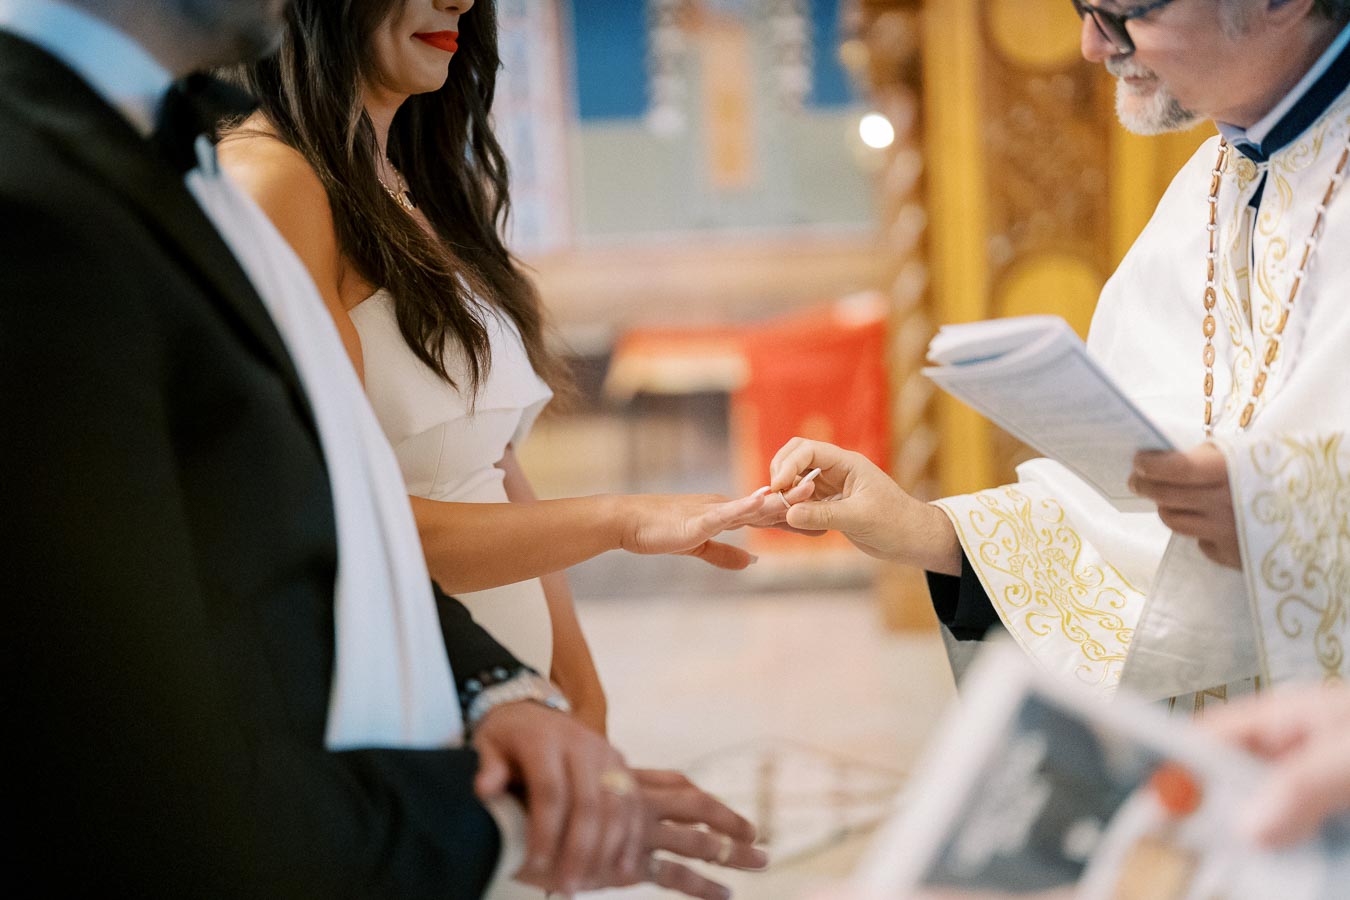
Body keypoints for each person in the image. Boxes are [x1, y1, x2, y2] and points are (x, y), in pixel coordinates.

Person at [0, 0, 767, 896]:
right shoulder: (225, 183)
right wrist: (623, 521)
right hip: (372, 754)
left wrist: (541, 690)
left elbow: (437, 474)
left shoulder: (385, 179)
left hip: (479, 711)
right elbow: (246, 579)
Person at [762, 0, 1350, 710]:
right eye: (1082, 8)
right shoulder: (1212, 184)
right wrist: (930, 532)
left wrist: (1277, 514)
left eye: (1122, 14)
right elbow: (1126, 514)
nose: (1092, 46)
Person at [216, 0, 771, 735]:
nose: (461, 0)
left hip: (511, 702)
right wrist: (624, 518)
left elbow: (497, 466)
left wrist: (576, 686)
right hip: (395, 708)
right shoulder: (271, 185)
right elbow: (336, 529)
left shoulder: (412, 181)